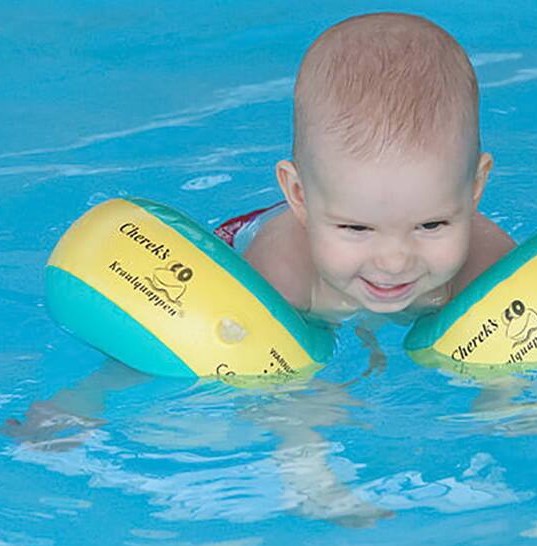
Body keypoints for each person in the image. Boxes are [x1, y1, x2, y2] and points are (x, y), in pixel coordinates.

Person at [216, 13, 515, 320]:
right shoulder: (279, 273)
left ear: (474, 188)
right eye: (356, 227)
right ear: (299, 194)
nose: (394, 262)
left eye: (430, 225)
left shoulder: (491, 265)